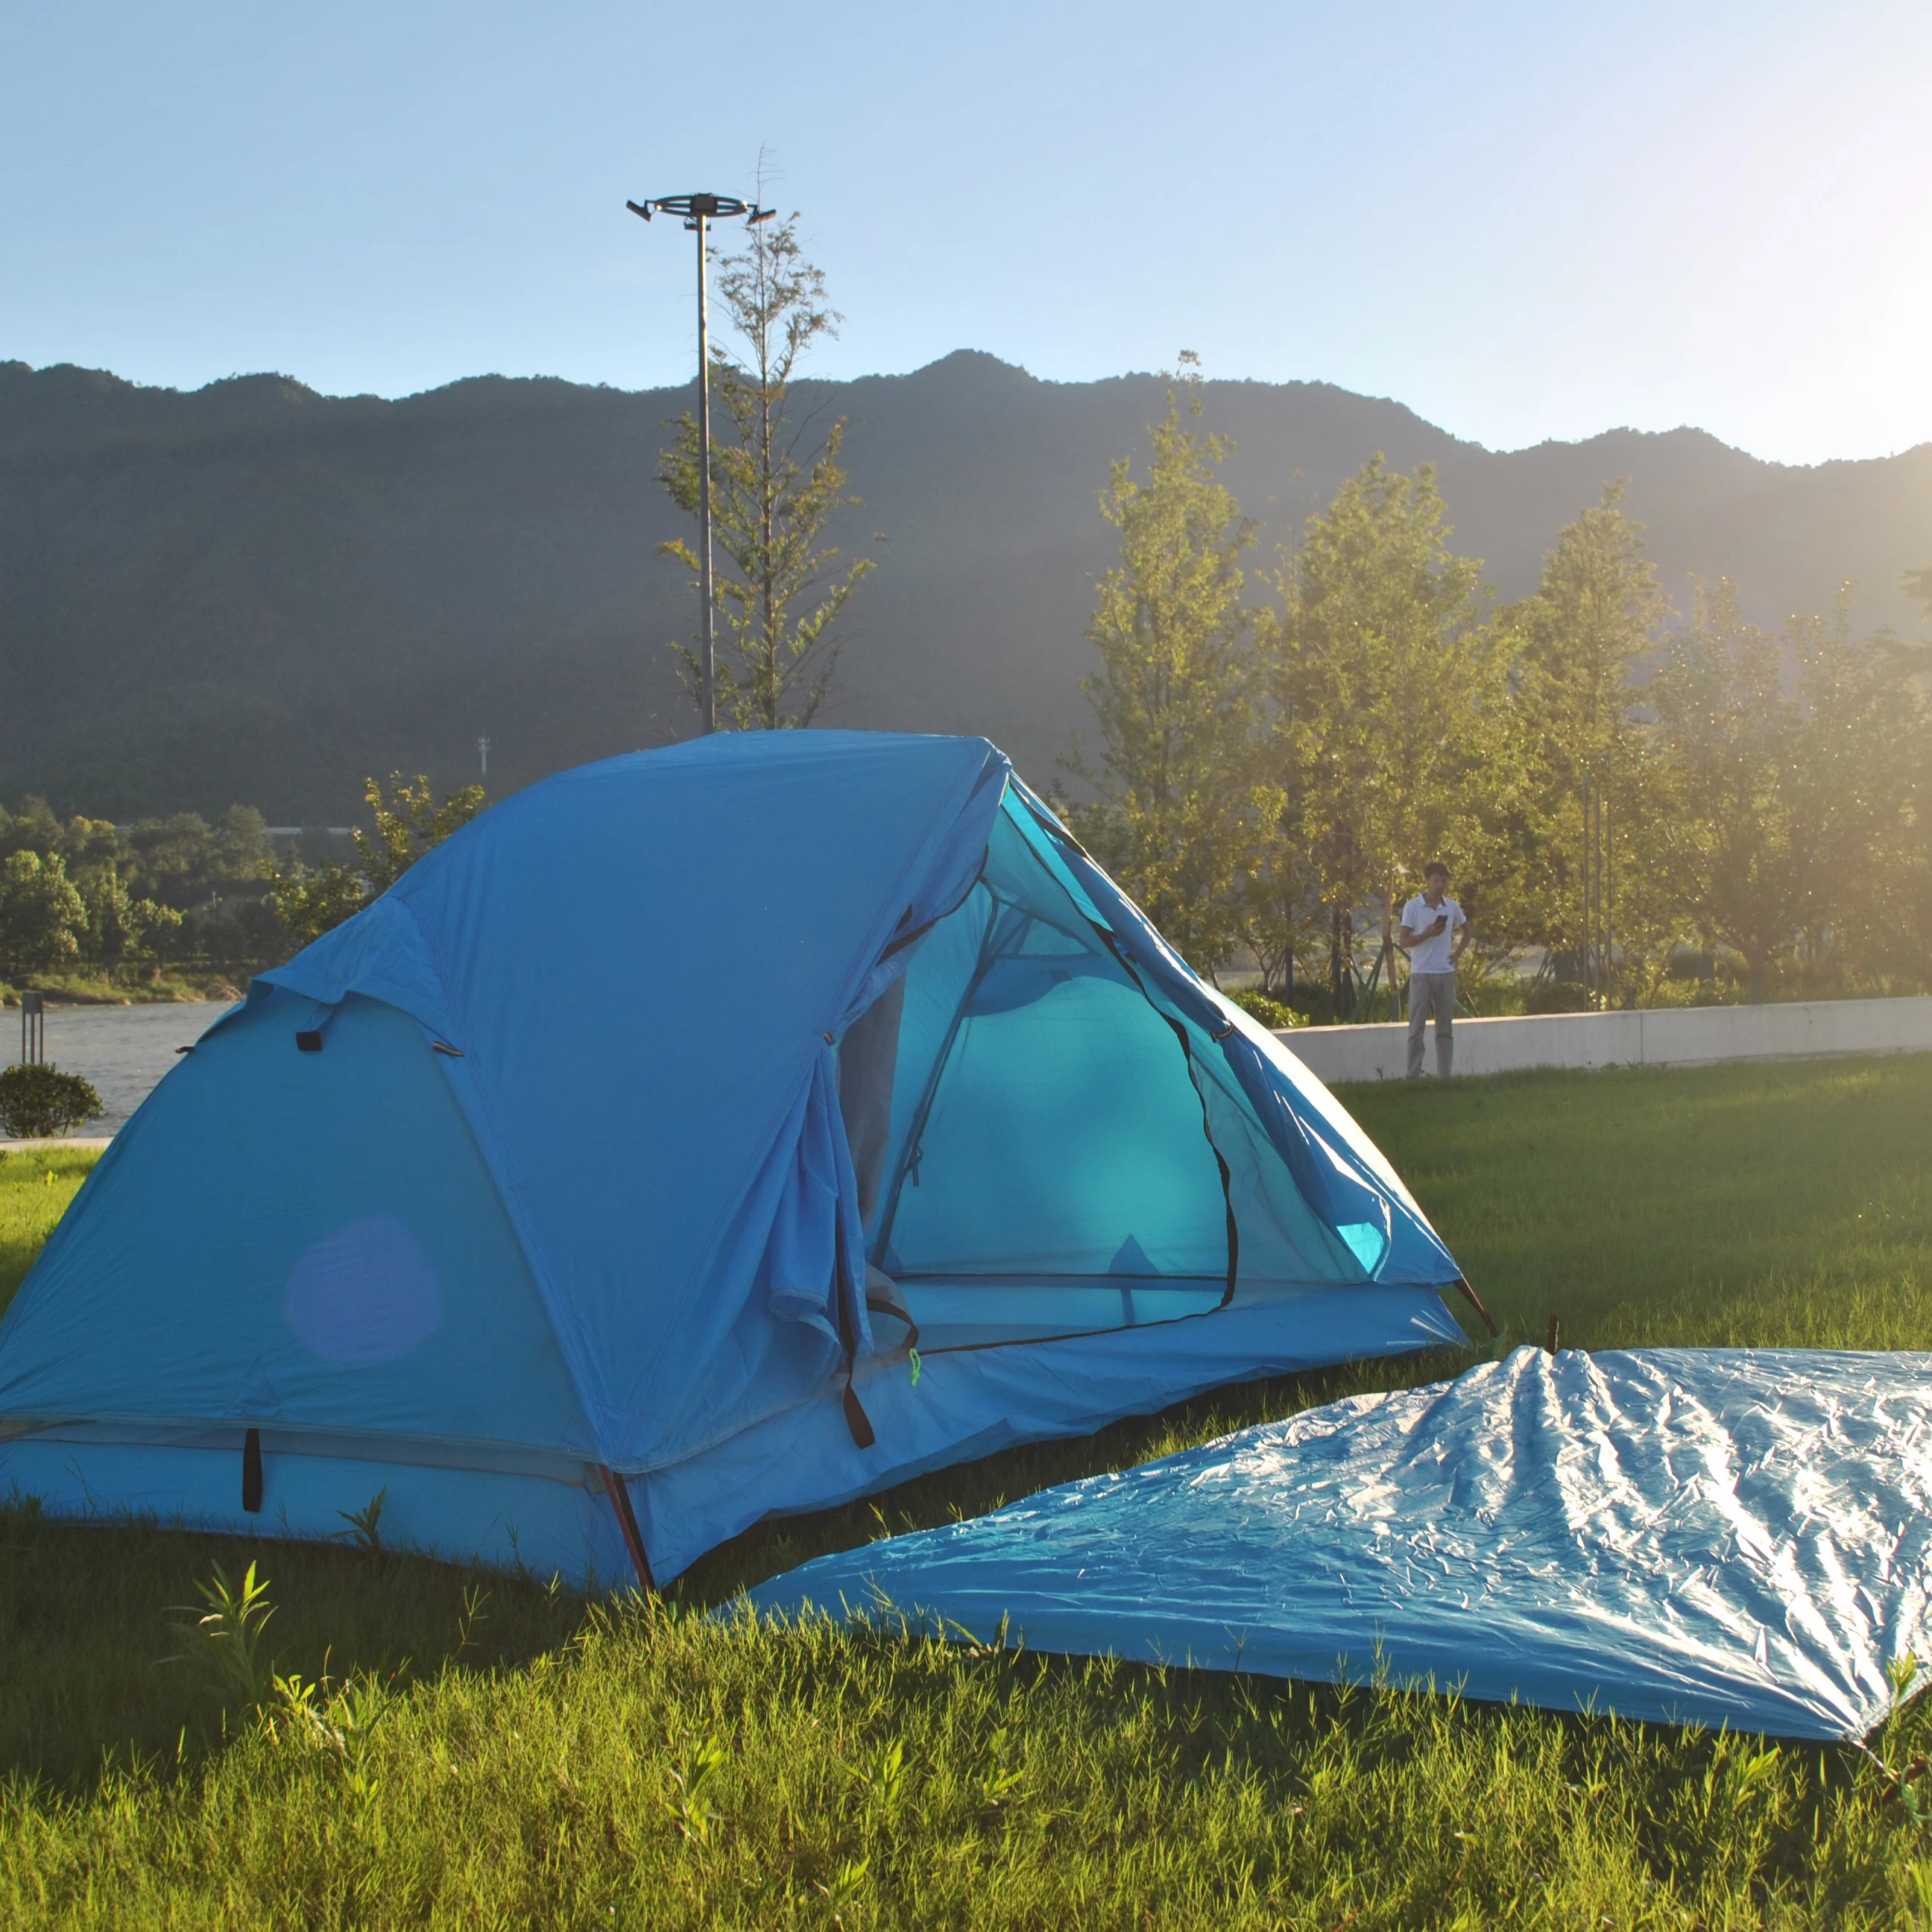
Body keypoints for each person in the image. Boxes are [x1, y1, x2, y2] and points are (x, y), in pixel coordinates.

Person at [1396, 862, 1469, 1079]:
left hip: (1445, 973)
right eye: (1436, 880)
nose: (1440, 885)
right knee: (1416, 1028)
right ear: (1427, 881)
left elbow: (1468, 930)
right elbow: (1403, 941)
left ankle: (1444, 1075)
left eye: (1444, 880)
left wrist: (1456, 956)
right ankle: (1413, 1075)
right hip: (1422, 973)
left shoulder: (1451, 906)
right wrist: (1427, 934)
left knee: (1445, 1028)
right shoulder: (1413, 907)